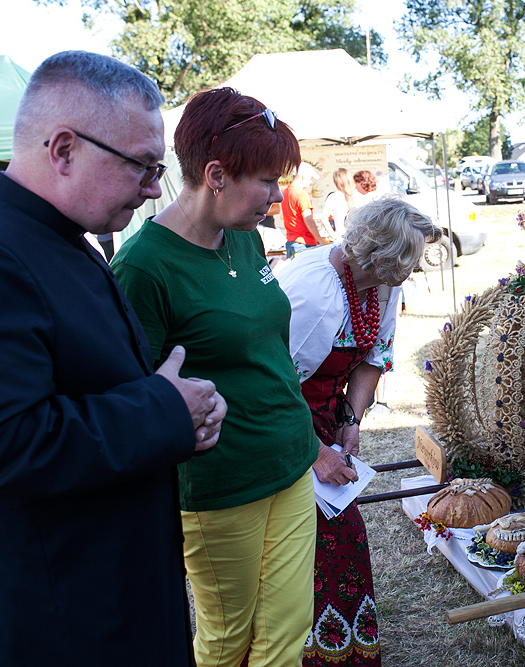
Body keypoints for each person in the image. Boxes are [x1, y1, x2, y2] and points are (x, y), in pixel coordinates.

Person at [0, 50, 226, 665]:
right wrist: (163, 412)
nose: (156, 187)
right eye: (142, 166)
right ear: (64, 149)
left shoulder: (53, 238)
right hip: (61, 623)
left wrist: (177, 415)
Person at [112, 87, 320, 667]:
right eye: (267, 181)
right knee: (228, 640)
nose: (278, 198)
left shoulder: (247, 237)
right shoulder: (143, 267)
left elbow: (269, 349)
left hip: (291, 460)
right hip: (219, 486)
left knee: (286, 632)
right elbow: (135, 396)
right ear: (216, 174)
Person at [276, 196, 438, 667]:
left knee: (340, 537)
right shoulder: (314, 294)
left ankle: (338, 653)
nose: (414, 270)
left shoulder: (382, 287)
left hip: (323, 420)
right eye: (408, 260)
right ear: (380, 258)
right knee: (308, 541)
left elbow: (373, 357)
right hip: (280, 426)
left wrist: (351, 420)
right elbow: (272, 389)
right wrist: (315, 453)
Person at [283, 161, 326, 256]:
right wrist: (321, 241)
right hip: (305, 242)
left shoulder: (285, 192)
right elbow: (308, 219)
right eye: (310, 178)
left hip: (291, 241)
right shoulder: (302, 194)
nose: (310, 182)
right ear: (303, 176)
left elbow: (297, 215)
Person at [322, 167, 355, 238]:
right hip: (358, 239)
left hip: (341, 238)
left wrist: (333, 234)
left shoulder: (334, 197)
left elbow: (323, 217)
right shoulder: (358, 195)